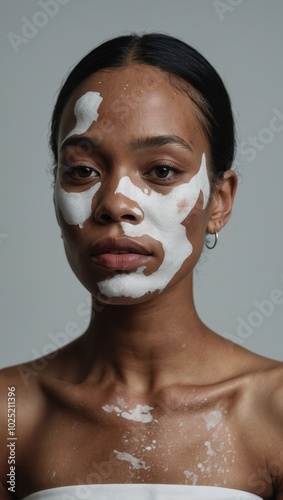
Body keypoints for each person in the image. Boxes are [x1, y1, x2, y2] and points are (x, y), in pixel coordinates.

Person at [0, 32, 282, 500]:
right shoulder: (10, 413)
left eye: (162, 171)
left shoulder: (274, 411)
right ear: (55, 193)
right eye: (83, 171)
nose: (114, 203)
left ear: (220, 201)